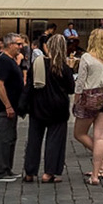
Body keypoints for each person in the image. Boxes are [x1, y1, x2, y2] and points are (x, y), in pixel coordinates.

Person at [24, 32, 74, 183]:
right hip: (58, 108)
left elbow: (30, 83)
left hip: (38, 106)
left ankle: (30, 172)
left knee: (34, 139)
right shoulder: (64, 68)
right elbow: (71, 88)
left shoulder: (38, 63)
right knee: (55, 140)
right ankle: (49, 172)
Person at [74, 29, 103, 184]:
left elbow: (80, 81)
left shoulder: (87, 57)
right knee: (99, 136)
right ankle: (95, 174)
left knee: (79, 133)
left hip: (90, 97)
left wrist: (76, 99)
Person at [0, 32, 27, 183]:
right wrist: (8, 105)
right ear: (10, 45)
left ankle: (7, 168)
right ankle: (0, 171)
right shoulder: (4, 61)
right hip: (5, 108)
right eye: (18, 44)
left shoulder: (11, 60)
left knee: (10, 138)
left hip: (13, 107)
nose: (21, 47)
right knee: (4, 139)